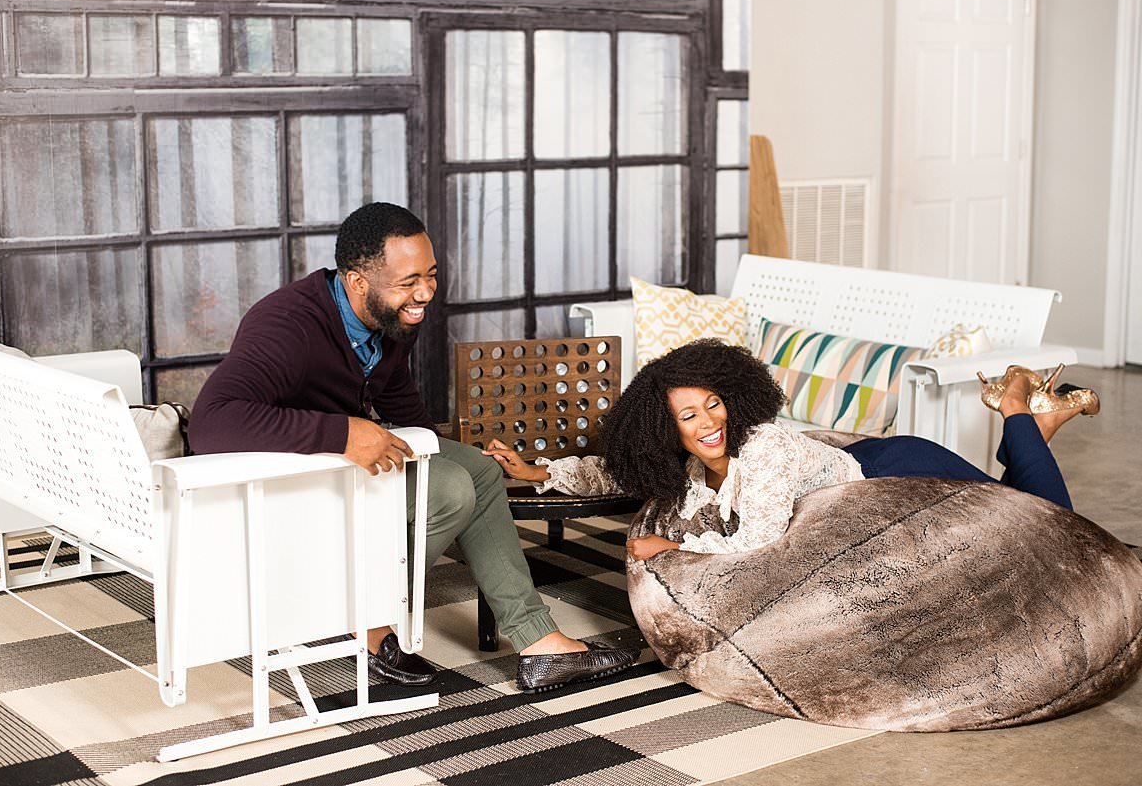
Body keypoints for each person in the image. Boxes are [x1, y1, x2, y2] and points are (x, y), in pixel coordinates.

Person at [188, 202, 638, 693]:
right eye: (407, 282)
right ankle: (365, 624)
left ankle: (537, 643)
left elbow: (395, 394)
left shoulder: (393, 314)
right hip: (282, 480)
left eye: (431, 275)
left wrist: (441, 446)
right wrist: (341, 433)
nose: (424, 293)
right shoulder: (286, 324)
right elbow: (211, 424)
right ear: (357, 280)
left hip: (337, 464)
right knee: (448, 492)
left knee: (479, 472)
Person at [483, 339, 1098, 561]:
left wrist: (671, 545)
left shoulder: (766, 450)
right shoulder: (684, 457)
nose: (708, 424)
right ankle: (1042, 425)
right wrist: (540, 470)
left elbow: (756, 541)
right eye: (688, 417)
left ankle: (1017, 400)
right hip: (873, 482)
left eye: (713, 404)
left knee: (1047, 521)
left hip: (899, 469)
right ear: (666, 430)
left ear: (731, 396)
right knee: (1016, 504)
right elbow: (618, 471)